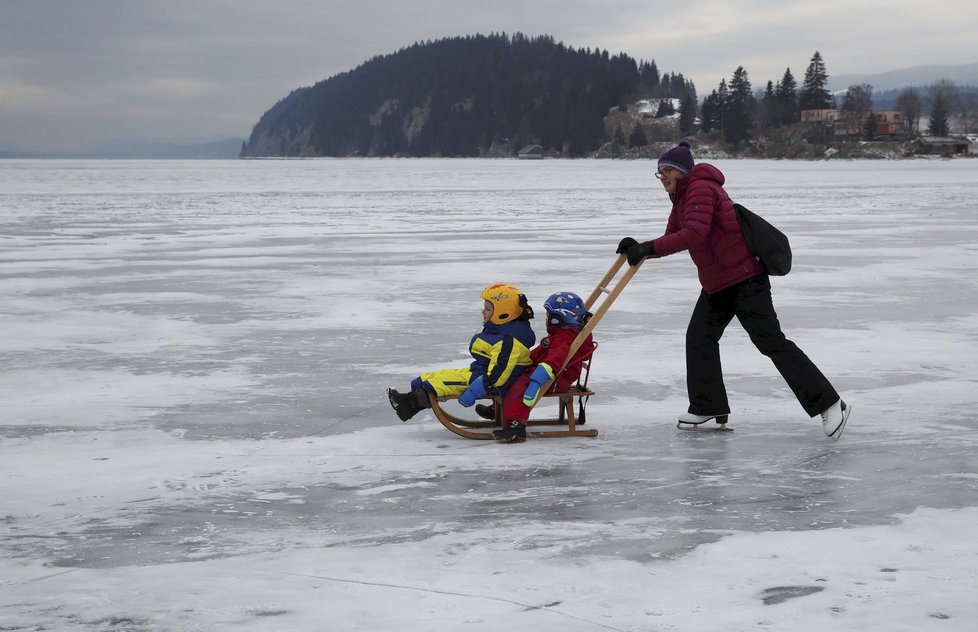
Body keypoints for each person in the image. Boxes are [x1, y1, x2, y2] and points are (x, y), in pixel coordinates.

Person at [616, 140, 851, 440]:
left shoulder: (700, 188)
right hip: (718, 284)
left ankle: (831, 404)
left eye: (668, 170)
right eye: (659, 171)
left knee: (772, 343)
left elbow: (694, 234)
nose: (662, 176)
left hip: (744, 281)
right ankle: (707, 405)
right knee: (700, 338)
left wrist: (650, 248)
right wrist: (639, 247)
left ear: (683, 171)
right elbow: (674, 236)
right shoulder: (682, 196)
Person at [387, 283, 536, 422]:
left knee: (439, 384)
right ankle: (408, 402)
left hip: (486, 381)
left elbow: (499, 373)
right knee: (432, 376)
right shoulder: (503, 332)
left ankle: (408, 405)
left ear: (503, 314)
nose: (483, 311)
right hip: (479, 372)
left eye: (488, 309)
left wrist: (476, 389)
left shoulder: (509, 341)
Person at [483, 292, 596, 443]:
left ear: (558, 319)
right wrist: (521, 361)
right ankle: (499, 409)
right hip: (544, 372)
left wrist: (537, 378)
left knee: (519, 388)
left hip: (552, 378)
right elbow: (537, 354)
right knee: (513, 373)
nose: (546, 320)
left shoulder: (564, 339)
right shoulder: (560, 335)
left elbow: (554, 360)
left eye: (549, 316)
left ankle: (515, 427)